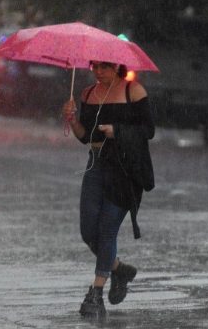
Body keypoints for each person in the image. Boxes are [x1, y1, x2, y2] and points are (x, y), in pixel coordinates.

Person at [62, 61, 155, 317]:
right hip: (96, 166)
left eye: (104, 67)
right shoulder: (88, 93)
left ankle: (95, 292)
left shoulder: (133, 91)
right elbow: (85, 136)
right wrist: (71, 119)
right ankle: (119, 269)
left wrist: (118, 131)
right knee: (88, 230)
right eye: (95, 66)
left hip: (125, 170)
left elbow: (149, 130)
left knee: (106, 231)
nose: (98, 71)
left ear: (117, 66)